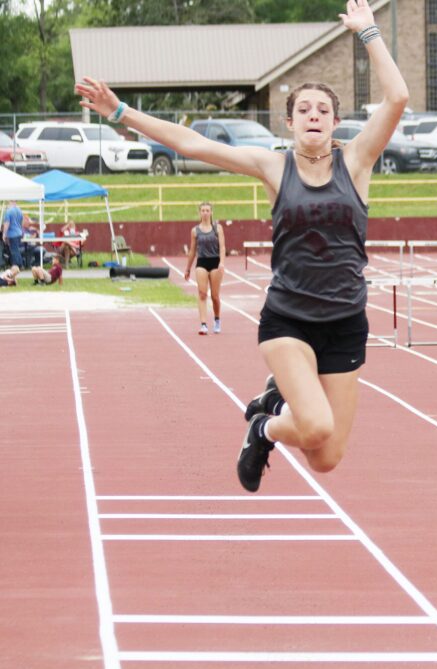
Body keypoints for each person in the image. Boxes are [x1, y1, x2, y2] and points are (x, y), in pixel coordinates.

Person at [75, 0, 409, 492]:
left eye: (322, 110)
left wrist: (368, 33)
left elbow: (397, 97)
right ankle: (264, 427)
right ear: (290, 123)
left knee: (327, 458)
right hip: (289, 318)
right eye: (303, 110)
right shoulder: (274, 167)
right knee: (314, 425)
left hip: (345, 321)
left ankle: (272, 409)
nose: (313, 115)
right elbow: (193, 144)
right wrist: (121, 111)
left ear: (336, 122)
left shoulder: (357, 162)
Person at [184, 202, 225, 335]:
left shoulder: (217, 228)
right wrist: (188, 269)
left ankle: (217, 320)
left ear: (211, 212)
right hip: (201, 262)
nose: (205, 213)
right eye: (203, 210)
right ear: (199, 213)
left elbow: (223, 247)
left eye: (207, 210)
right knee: (202, 294)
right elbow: (192, 250)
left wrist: (222, 263)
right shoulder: (195, 230)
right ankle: (203, 324)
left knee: (215, 296)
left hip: (215, 262)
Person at [2, 200, 25, 268]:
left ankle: (17, 265)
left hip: (12, 234)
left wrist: (4, 234)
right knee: (16, 249)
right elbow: (21, 222)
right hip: (19, 233)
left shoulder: (8, 211)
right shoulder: (19, 210)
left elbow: (7, 223)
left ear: (10, 201)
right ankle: (19, 264)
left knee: (14, 250)